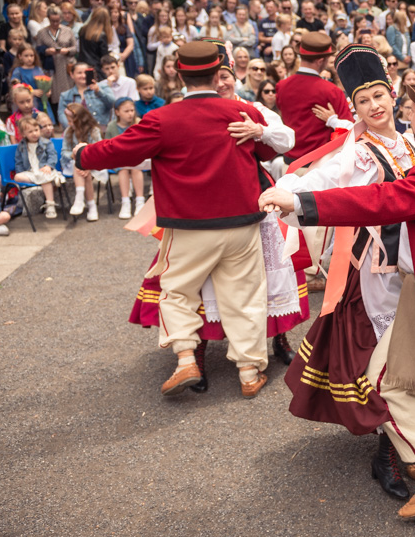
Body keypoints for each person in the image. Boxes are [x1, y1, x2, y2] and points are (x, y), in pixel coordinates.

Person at [261, 71, 415, 520]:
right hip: (404, 277)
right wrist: (290, 191)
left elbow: (386, 200)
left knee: (392, 379)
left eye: (383, 96)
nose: (379, 106)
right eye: (363, 100)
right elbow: (328, 177)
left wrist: (300, 206)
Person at [76, 42, 280, 398]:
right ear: (218, 74)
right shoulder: (241, 111)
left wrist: (82, 155)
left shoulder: (163, 118)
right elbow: (267, 150)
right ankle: (249, 371)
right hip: (242, 220)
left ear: (180, 76)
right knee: (246, 296)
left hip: (190, 225)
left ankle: (186, 356)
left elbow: (119, 149)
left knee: (176, 292)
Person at [274, 32, 353, 164]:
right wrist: (333, 120)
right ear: (320, 60)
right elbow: (349, 130)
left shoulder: (281, 86)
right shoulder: (332, 91)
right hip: (319, 167)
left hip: (289, 165)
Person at [13, 116, 62, 218]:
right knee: (17, 177)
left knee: (44, 176)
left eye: (36, 130)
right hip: (31, 172)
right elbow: (18, 162)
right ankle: (51, 179)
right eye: (30, 132)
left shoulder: (46, 143)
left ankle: (50, 205)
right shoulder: (21, 146)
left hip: (43, 170)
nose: (34, 133)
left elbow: (53, 156)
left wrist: (48, 166)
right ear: (24, 134)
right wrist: (21, 172)